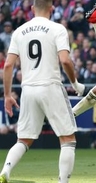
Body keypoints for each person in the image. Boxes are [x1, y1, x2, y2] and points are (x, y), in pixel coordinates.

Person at [0, 0, 85, 183]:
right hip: (50, 86)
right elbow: (65, 61)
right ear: (52, 9)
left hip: (28, 89)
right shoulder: (57, 29)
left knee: (24, 139)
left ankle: (5, 171)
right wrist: (75, 83)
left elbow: (8, 65)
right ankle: (63, 181)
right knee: (68, 139)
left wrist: (7, 95)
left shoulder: (19, 31)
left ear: (32, 9)